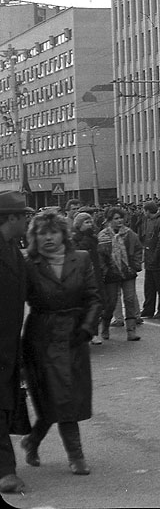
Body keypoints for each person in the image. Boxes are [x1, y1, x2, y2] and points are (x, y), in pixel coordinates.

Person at [21, 209, 102, 478]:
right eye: (42, 233)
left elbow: (93, 297)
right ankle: (73, 455)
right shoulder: (28, 264)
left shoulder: (81, 259)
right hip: (41, 337)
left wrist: (87, 328)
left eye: (53, 232)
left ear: (63, 234)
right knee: (53, 398)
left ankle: (37, 442)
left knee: (67, 398)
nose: (48, 238)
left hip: (74, 335)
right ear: (34, 237)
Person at [0, 192, 33, 495]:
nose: (27, 220)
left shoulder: (13, 247)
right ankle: (5, 471)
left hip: (9, 342)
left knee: (6, 401)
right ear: (11, 218)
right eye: (24, 216)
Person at [96, 207, 143, 343]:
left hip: (128, 273)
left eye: (121, 218)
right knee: (111, 303)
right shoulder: (103, 236)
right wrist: (105, 270)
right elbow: (100, 256)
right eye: (116, 218)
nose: (119, 221)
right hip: (111, 275)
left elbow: (138, 249)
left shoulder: (130, 234)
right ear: (109, 220)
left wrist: (135, 265)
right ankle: (105, 326)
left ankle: (131, 331)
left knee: (129, 300)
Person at [138, 202, 160, 319]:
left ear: (147, 210)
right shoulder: (149, 221)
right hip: (149, 259)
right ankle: (148, 309)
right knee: (149, 286)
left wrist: (155, 257)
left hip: (158, 260)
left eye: (143, 210)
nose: (143, 212)